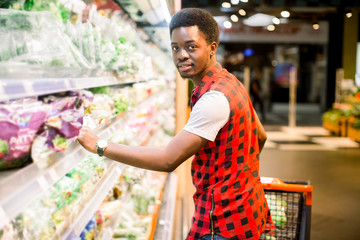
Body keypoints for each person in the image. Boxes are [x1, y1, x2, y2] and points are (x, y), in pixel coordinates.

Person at [78, 8, 270, 240]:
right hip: (249, 208)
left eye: (191, 47)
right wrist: (235, 175)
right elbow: (260, 135)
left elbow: (168, 160)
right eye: (175, 47)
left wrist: (100, 146)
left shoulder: (213, 100)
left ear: (212, 48)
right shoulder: (231, 82)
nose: (181, 55)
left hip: (222, 223)